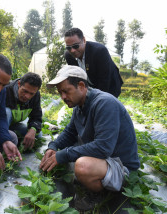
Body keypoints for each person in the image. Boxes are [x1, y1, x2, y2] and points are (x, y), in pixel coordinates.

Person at [39, 65, 140, 211]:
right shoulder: (80, 105)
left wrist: (63, 155)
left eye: (66, 91)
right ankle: (92, 181)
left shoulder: (105, 103)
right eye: (60, 92)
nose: (63, 97)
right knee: (69, 151)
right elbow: (70, 132)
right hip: (105, 160)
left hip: (121, 166)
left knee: (82, 165)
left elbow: (103, 148)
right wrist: (53, 147)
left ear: (81, 86)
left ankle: (99, 194)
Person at [64, 27, 123, 98]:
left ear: (84, 40)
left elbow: (104, 81)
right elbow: (77, 79)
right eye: (68, 48)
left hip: (110, 86)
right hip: (91, 85)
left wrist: (96, 100)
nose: (72, 50)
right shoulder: (69, 56)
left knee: (105, 106)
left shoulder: (99, 51)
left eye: (76, 46)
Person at [5, 72, 43, 150]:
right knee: (6, 112)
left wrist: (33, 129)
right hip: (0, 126)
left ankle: (15, 139)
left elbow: (37, 116)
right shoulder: (7, 90)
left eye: (31, 94)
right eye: (25, 91)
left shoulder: (36, 96)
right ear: (19, 84)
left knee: (38, 135)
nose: (27, 96)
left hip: (13, 125)